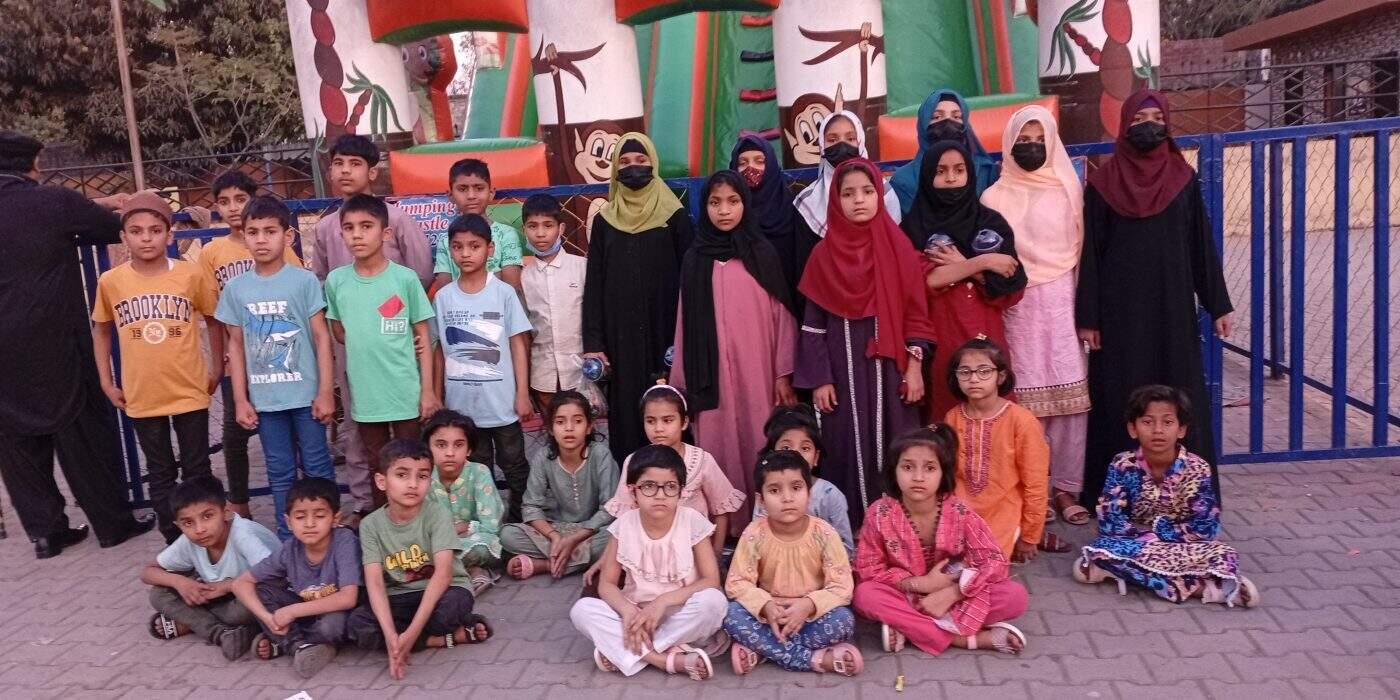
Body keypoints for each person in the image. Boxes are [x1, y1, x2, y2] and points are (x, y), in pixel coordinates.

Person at [1075, 89, 1233, 510]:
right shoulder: (1103, 184)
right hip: (1119, 313)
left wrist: (1218, 303)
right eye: (1140, 118)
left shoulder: (1182, 177)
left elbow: (1200, 245)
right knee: (1119, 396)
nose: (1150, 126)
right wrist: (1089, 317)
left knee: (1179, 394)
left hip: (1172, 309)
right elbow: (1091, 255)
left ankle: (1190, 496)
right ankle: (1114, 495)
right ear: (1125, 125)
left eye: (1158, 119)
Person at [0, 129, 153, 558]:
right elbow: (110, 228)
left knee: (16, 438)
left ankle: (46, 534)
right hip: (55, 337)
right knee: (82, 427)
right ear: (31, 164)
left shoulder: (47, 202)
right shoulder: (51, 202)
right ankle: (112, 523)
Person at [794, 158, 935, 527]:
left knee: (897, 442)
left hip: (892, 371)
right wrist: (820, 379)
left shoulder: (899, 248)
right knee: (845, 445)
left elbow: (916, 313)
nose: (859, 200)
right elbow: (813, 326)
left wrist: (915, 368)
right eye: (848, 193)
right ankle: (854, 526)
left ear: (879, 196)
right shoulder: (823, 256)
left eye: (868, 191)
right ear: (835, 200)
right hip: (842, 374)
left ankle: (900, 527)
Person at [311, 134, 433, 525]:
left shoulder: (397, 220)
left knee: (408, 432)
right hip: (353, 343)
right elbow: (322, 282)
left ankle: (416, 510)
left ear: (373, 171)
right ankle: (368, 505)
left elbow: (421, 271)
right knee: (359, 425)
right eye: (338, 163)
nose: (345, 171)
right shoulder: (326, 227)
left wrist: (397, 325)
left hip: (396, 341)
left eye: (355, 163)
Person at [981, 106, 1092, 525]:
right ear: (1009, 144)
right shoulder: (992, 198)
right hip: (1019, 306)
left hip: (1063, 301)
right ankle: (1033, 491)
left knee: (1070, 403)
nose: (1031, 147)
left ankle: (1066, 488)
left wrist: (1088, 312)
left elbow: (1084, 252)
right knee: (1024, 403)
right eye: (1022, 141)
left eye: (1039, 140)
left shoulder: (1068, 189)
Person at [670, 170, 798, 534]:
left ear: (746, 204)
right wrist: (681, 384)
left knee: (761, 438)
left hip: (758, 373)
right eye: (714, 202)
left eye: (733, 201)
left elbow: (783, 316)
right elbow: (683, 321)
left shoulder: (762, 254)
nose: (724, 210)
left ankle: (767, 526)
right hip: (709, 378)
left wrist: (783, 373)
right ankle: (726, 531)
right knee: (718, 445)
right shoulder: (696, 259)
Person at [92, 192, 223, 544]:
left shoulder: (190, 274)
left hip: (189, 386)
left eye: (155, 230)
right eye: (136, 231)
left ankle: (207, 538)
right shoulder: (111, 281)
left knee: (197, 469)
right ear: (124, 236)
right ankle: (175, 541)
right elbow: (101, 330)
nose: (146, 238)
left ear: (169, 234)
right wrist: (106, 380)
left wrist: (217, 368)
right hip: (142, 391)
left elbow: (214, 321)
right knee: (161, 471)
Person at [215, 196, 337, 540]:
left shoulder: (303, 281)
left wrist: (325, 391)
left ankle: (329, 532)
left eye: (270, 231)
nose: (261, 239)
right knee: (280, 472)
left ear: (288, 236)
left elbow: (321, 337)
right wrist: (241, 399)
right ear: (244, 236)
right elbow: (235, 346)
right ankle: (288, 538)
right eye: (253, 232)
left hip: (307, 398)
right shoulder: (236, 288)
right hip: (267, 403)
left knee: (317, 467)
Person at [1076, 385, 1259, 607]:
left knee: (1223, 553)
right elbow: (1109, 519)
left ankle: (1120, 572)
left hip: (1180, 544)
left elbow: (1206, 528)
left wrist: (1160, 535)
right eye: (1147, 422)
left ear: (1181, 429)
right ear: (1133, 429)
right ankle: (1204, 587)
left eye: (1168, 422)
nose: (1158, 430)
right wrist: (1145, 539)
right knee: (1105, 546)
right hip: (1136, 542)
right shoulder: (1122, 464)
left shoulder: (1198, 468)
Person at [853, 427, 1029, 656]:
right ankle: (962, 639)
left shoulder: (960, 511)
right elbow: (868, 569)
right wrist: (922, 584)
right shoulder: (879, 513)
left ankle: (909, 628)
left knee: (1015, 596)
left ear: (943, 472)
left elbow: (994, 561)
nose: (918, 477)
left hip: (954, 596)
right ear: (893, 471)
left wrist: (953, 593)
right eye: (908, 467)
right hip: (904, 594)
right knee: (865, 595)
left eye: (929, 468)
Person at [570, 444, 729, 681]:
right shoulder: (623, 525)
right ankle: (664, 659)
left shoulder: (692, 521)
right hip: (635, 616)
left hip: (680, 615)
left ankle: (625, 651)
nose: (660, 495)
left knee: (714, 602)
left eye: (670, 487)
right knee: (582, 610)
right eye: (649, 486)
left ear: (681, 491)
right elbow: (607, 585)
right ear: (632, 491)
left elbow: (710, 580)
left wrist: (663, 601)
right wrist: (627, 610)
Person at [582, 132, 695, 462]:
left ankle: (676, 478)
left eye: (641, 160)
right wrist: (594, 342)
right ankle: (631, 482)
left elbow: (690, 280)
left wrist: (687, 334)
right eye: (625, 162)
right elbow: (595, 284)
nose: (634, 167)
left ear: (653, 164)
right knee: (628, 410)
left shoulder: (674, 216)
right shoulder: (605, 221)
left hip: (666, 330)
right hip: (621, 338)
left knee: (670, 406)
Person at [325, 195, 438, 511]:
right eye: (349, 228)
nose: (357, 235)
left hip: (405, 392)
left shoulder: (404, 278)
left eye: (366, 226)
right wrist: (372, 336)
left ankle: (418, 524)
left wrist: (428, 391)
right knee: (377, 464)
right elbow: (339, 332)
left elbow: (423, 335)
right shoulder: (337, 281)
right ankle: (382, 526)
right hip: (367, 396)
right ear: (341, 233)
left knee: (412, 461)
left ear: (386, 233)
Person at [347, 439, 492, 680]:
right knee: (358, 624)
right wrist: (390, 635)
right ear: (381, 481)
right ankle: (439, 639)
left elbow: (443, 574)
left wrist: (411, 633)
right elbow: (375, 583)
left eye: (422, 476)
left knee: (450, 609)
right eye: (402, 475)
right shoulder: (370, 525)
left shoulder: (437, 515)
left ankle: (416, 637)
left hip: (444, 590)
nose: (413, 484)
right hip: (399, 595)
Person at [902, 141, 1026, 420]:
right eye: (941, 171)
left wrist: (962, 267)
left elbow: (1012, 285)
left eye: (959, 170)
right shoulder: (913, 228)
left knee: (994, 423)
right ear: (927, 176)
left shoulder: (992, 223)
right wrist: (983, 262)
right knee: (944, 423)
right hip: (938, 343)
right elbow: (927, 281)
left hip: (987, 341)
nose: (951, 178)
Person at [203, 170, 302, 519]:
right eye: (224, 201)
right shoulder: (211, 252)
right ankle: (240, 502)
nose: (232, 208)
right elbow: (212, 316)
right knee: (235, 432)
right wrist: (219, 364)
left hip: (280, 357)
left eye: (240, 199)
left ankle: (300, 501)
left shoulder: (275, 243)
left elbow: (297, 302)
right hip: (239, 359)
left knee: (290, 430)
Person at [724, 450, 861, 677]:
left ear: (809, 494)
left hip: (810, 616)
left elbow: (842, 587)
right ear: (761, 500)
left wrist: (809, 604)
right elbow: (737, 582)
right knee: (731, 614)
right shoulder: (754, 533)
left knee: (843, 621)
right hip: (769, 615)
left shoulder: (824, 533)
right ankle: (813, 659)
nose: (787, 498)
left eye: (796, 488)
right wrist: (766, 606)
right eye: (774, 490)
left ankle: (763, 649)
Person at [433, 213, 532, 522]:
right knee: (476, 469)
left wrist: (522, 393)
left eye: (474, 246)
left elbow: (518, 344)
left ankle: (520, 519)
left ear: (490, 249)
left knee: (514, 464)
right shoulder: (444, 298)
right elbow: (438, 351)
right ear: (450, 250)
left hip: (502, 403)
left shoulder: (503, 293)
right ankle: (483, 525)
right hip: (463, 407)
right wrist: (436, 395)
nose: (466, 253)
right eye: (458, 247)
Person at [229, 477, 360, 678]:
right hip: (306, 610)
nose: (309, 524)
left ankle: (286, 642)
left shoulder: (344, 541)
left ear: (335, 519)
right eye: (300, 517)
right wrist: (268, 618)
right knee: (261, 591)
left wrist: (291, 611)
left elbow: (348, 598)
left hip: (338, 611)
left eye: (319, 516)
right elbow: (241, 583)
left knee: (331, 626)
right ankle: (298, 645)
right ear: (289, 522)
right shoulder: (290, 548)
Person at [141, 476, 280, 660]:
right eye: (188, 523)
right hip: (219, 595)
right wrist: (180, 583)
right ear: (178, 525)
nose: (199, 529)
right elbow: (148, 572)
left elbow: (275, 576)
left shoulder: (243, 534)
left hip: (264, 591)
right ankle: (222, 633)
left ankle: (193, 623)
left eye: (207, 516)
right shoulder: (190, 541)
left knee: (242, 611)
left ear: (226, 512)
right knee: (158, 594)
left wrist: (227, 586)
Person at [601, 384, 743, 560]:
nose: (658, 428)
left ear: (684, 422)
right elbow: (625, 515)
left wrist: (716, 554)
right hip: (649, 552)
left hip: (694, 552)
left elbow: (721, 509)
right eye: (651, 421)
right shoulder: (634, 462)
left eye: (667, 420)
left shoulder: (702, 460)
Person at [944, 339, 1052, 559]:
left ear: (1000, 376)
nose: (974, 379)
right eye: (965, 372)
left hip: (1003, 513)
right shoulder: (953, 417)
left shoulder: (1022, 421)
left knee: (982, 567)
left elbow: (1036, 483)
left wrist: (1030, 536)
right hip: (958, 512)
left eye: (984, 371)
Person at [501, 391, 619, 580]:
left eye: (577, 421)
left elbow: (610, 508)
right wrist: (555, 536)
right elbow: (531, 506)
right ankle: (565, 559)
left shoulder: (600, 455)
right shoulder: (543, 457)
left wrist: (576, 538)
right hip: (556, 529)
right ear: (550, 428)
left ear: (589, 427)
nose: (569, 428)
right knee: (507, 535)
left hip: (592, 531)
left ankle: (544, 565)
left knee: (617, 538)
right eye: (560, 422)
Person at [752, 405, 853, 557]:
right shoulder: (766, 492)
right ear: (772, 454)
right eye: (786, 448)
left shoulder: (830, 495)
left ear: (816, 457)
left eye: (805, 448)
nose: (796, 454)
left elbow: (845, 548)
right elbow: (756, 539)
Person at [423, 409, 504, 595]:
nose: (450, 453)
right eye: (441, 445)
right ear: (428, 448)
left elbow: (491, 527)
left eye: (458, 445)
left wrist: (464, 528)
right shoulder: (423, 478)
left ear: (469, 449)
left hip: (474, 541)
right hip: (437, 544)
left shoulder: (479, 472)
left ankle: (451, 575)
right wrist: (452, 532)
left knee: (484, 548)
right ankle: (471, 572)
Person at [728, 135, 814, 308]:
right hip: (746, 306)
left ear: (772, 165)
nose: (750, 168)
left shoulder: (792, 207)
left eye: (759, 161)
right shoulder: (730, 212)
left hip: (790, 303)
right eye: (743, 163)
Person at [519, 193, 586, 407]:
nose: (540, 234)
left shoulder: (582, 267)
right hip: (543, 374)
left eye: (548, 225)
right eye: (533, 226)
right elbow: (525, 331)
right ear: (524, 230)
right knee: (551, 424)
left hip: (582, 370)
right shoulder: (523, 278)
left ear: (561, 228)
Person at [791, 111, 902, 240]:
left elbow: (894, 240)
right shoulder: (808, 203)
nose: (842, 146)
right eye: (832, 140)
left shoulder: (884, 192)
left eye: (851, 139)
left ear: (860, 142)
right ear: (821, 145)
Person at [890, 89, 999, 213]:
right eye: (937, 117)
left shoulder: (986, 171)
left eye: (956, 116)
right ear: (923, 124)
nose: (948, 123)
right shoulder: (903, 181)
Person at [430, 158, 524, 295]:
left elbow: (511, 286)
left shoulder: (506, 234)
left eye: (479, 188)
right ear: (450, 195)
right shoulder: (446, 239)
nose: (471, 196)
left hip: (499, 306)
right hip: (458, 307)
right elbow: (444, 291)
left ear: (491, 193)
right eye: (462, 189)